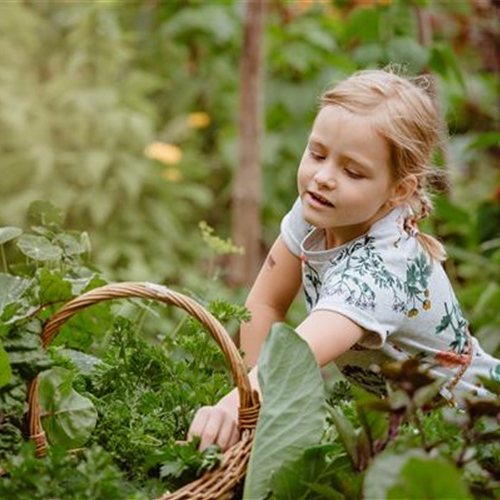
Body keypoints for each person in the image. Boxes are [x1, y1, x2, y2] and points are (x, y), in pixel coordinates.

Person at [188, 68, 500, 452]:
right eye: (317, 153)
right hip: (412, 429)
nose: (323, 177)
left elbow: (297, 356)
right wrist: (252, 406)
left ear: (398, 190)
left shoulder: (382, 271)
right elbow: (266, 303)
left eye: (352, 172)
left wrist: (241, 403)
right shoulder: (319, 211)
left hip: (477, 429)